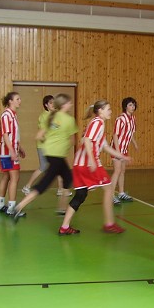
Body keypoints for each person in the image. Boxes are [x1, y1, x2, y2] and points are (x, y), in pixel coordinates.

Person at [59, 100, 130, 235]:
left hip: (78, 164)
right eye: (108, 109)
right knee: (109, 189)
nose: (110, 112)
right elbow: (86, 140)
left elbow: (106, 147)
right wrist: (92, 160)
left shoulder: (97, 124)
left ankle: (64, 227)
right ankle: (109, 224)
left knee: (81, 195)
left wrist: (122, 156)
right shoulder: (98, 122)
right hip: (88, 163)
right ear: (100, 111)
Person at [12, 93, 79, 219]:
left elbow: (38, 136)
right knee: (44, 184)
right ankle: (19, 206)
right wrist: (64, 145)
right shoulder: (69, 120)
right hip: (58, 156)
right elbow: (73, 141)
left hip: (50, 153)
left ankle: (62, 208)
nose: (71, 104)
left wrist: (49, 143)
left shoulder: (51, 117)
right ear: (64, 105)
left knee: (67, 177)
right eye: (69, 102)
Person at [21, 95, 69, 197]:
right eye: (50, 103)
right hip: (44, 146)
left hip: (54, 147)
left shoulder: (56, 115)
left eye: (54, 102)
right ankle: (27, 186)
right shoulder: (44, 116)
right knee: (43, 167)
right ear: (46, 105)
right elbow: (42, 134)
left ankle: (61, 189)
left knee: (59, 166)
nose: (53, 105)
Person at [0, 91, 26, 216]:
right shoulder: (6, 115)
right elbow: (6, 135)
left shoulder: (13, 115)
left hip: (9, 151)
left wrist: (20, 147)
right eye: (17, 99)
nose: (20, 101)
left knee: (7, 177)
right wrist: (12, 151)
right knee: (15, 178)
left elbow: (13, 136)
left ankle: (0, 204)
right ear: (10, 101)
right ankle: (12, 208)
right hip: (8, 153)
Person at [111, 97, 138, 205]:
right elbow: (115, 135)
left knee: (122, 171)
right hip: (117, 148)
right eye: (130, 105)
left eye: (134, 105)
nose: (133, 107)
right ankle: (111, 195)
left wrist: (134, 143)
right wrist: (117, 151)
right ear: (125, 106)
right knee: (117, 171)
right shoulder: (120, 119)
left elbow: (130, 134)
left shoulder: (133, 119)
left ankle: (121, 193)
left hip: (124, 149)